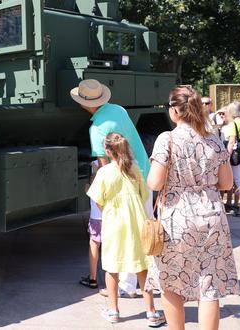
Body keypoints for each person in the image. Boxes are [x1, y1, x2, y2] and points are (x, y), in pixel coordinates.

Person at [145, 85, 239, 330]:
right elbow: (227, 183)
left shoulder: (168, 139)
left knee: (172, 282)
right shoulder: (213, 140)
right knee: (209, 285)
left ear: (175, 110)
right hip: (211, 216)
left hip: (178, 218)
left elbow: (154, 182)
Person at [71, 78, 152, 298]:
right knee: (144, 230)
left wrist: (100, 196)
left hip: (123, 187)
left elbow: (105, 168)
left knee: (124, 234)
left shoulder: (97, 129)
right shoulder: (119, 110)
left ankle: (126, 286)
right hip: (142, 171)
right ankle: (149, 280)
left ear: (86, 104)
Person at [86, 133, 165, 327]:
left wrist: (108, 210)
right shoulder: (135, 169)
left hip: (114, 223)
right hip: (136, 221)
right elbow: (144, 194)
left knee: (112, 267)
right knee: (141, 267)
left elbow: (97, 198)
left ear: (107, 151)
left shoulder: (104, 172)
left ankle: (113, 310)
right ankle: (152, 312)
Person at [80, 160, 103, 290]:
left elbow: (92, 188)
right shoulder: (121, 164)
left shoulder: (96, 164)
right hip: (113, 214)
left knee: (94, 243)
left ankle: (93, 278)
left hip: (97, 215)